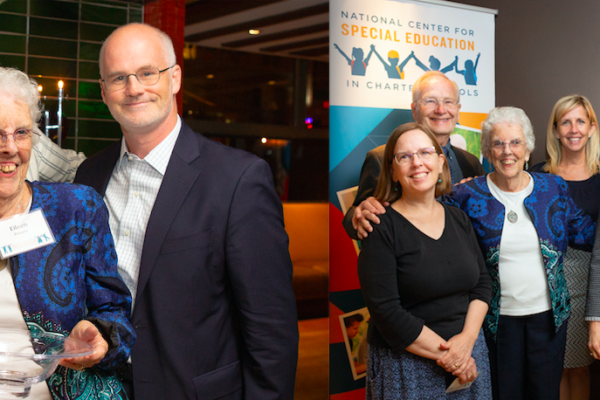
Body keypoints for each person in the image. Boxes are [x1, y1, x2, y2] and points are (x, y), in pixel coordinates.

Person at [74, 23, 299, 400]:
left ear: (175, 77)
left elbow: (269, 328)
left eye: (147, 72)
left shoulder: (238, 179)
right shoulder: (90, 175)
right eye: (118, 77)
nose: (133, 88)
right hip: (100, 389)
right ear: (104, 91)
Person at [0, 67, 134, 399]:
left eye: (21, 132)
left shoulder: (74, 209)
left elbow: (117, 314)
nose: (10, 147)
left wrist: (99, 336)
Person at [447, 107, 596, 400]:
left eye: (515, 142)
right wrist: (370, 210)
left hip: (550, 319)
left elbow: (587, 233)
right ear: (487, 151)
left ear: (527, 148)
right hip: (496, 323)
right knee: (505, 394)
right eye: (498, 143)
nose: (507, 151)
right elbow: (424, 217)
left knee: (545, 393)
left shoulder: (552, 187)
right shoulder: (467, 194)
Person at [358, 122, 492, 400]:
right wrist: (453, 357)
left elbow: (481, 284)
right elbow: (386, 311)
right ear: (393, 171)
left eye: (425, 153)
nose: (416, 163)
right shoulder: (379, 226)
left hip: (470, 358)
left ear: (441, 162)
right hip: (407, 365)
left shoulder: (459, 218)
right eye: (404, 157)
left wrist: (466, 343)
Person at [343, 71, 484, 240]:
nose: (441, 110)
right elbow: (354, 218)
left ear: (458, 110)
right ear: (414, 110)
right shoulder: (381, 158)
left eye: (448, 102)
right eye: (430, 101)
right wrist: (359, 215)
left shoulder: (470, 162)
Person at [530, 95, 600, 400]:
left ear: (592, 128)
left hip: (590, 280)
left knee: (581, 367)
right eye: (565, 122)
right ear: (556, 130)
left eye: (580, 121)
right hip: (544, 280)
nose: (573, 129)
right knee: (553, 365)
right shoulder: (538, 175)